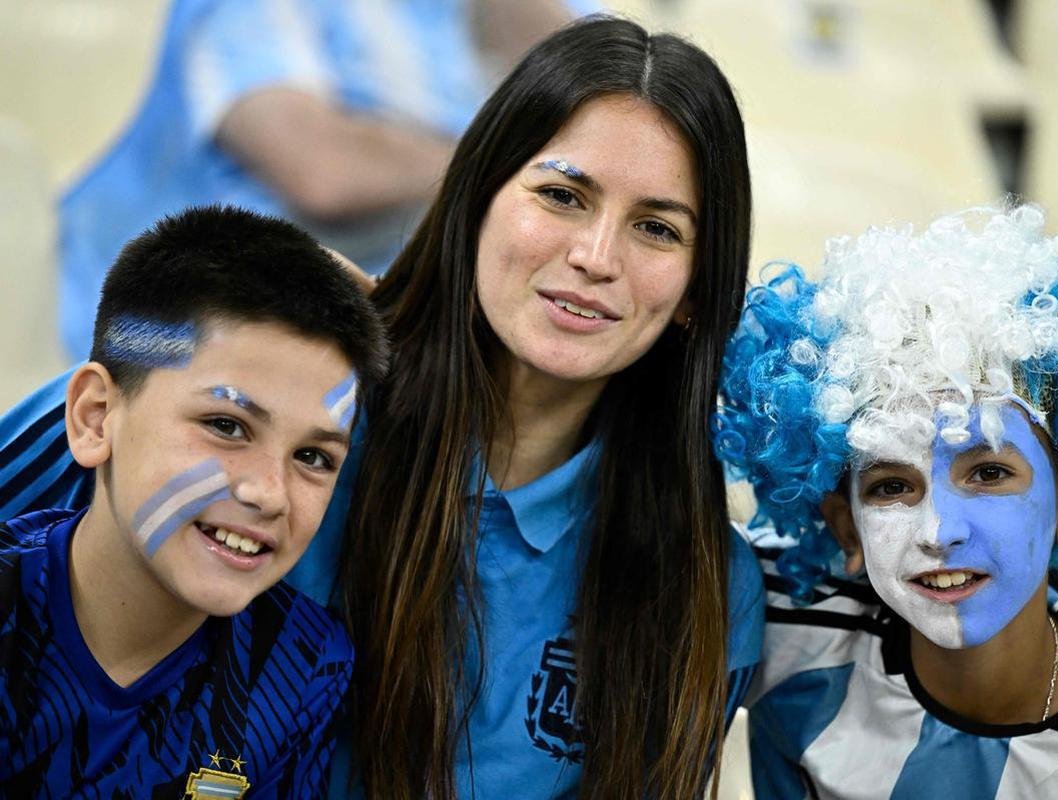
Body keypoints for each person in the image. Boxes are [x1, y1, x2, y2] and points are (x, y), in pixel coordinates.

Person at [1, 17, 764, 799]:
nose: (595, 258)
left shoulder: (703, 584)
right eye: (562, 195)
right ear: (476, 197)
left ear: (695, 290)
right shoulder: (268, 394)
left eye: (656, 228)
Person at [714, 204, 1058, 798]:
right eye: (891, 486)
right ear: (847, 528)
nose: (939, 531)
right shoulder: (774, 615)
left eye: (989, 473)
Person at [0, 206, 388, 796]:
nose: (268, 493)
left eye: (313, 457)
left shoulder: (304, 667)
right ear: (95, 417)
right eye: (226, 425)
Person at [57, 0, 591, 361]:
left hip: (416, 330)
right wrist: (516, 163)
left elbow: (601, 118)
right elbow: (323, 172)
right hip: (194, 335)